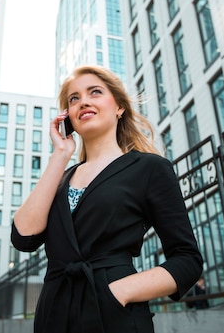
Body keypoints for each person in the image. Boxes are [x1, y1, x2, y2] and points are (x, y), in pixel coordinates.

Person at [11, 65, 203, 333]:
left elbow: (187, 260)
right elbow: (23, 237)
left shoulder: (149, 168)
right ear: (68, 116)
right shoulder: (60, 176)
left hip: (114, 318)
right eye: (74, 98)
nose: (83, 101)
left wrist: (119, 291)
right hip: (54, 317)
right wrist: (61, 153)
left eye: (95, 92)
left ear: (119, 107)